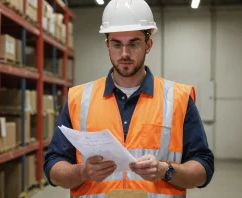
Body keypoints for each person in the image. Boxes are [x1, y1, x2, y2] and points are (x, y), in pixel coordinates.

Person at [43, 0, 215, 197]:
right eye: (117, 44)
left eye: (134, 43)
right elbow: (53, 168)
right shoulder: (78, 99)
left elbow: (204, 170)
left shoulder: (178, 98)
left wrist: (165, 170)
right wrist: (83, 171)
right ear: (107, 45)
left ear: (148, 44)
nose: (124, 53)